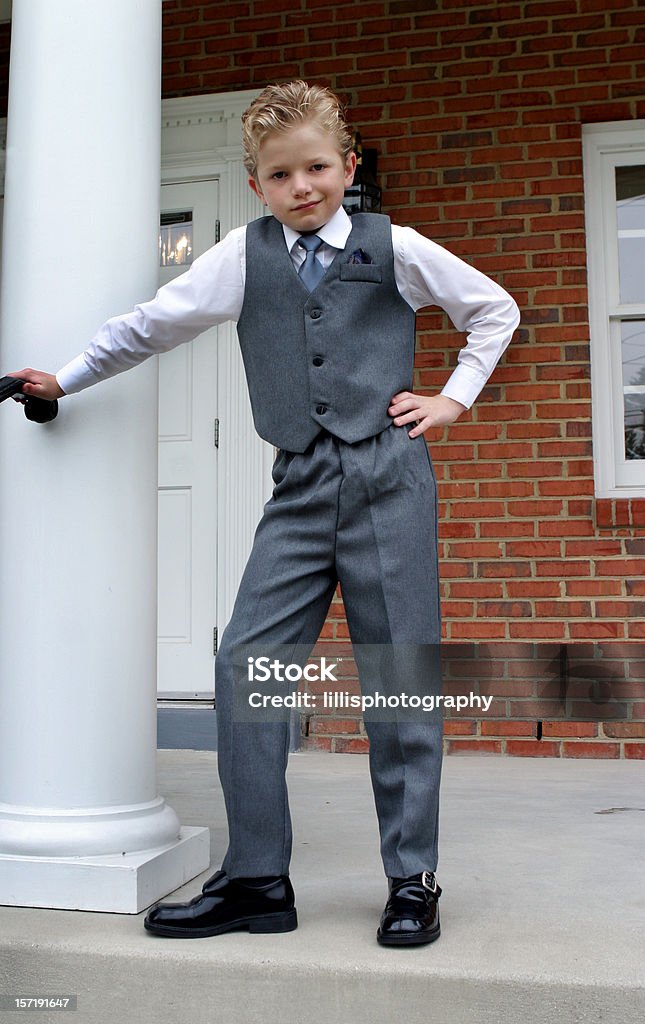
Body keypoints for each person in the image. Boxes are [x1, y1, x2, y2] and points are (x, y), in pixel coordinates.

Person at [10, 80, 520, 946]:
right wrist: (66, 378)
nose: (303, 187)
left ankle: (411, 878)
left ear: (346, 166)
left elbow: (492, 310)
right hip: (299, 486)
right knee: (247, 666)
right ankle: (255, 879)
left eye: (318, 167)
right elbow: (152, 324)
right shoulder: (238, 257)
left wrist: (452, 400)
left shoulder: (395, 246)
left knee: (398, 678)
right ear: (257, 185)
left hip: (389, 477)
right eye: (281, 175)